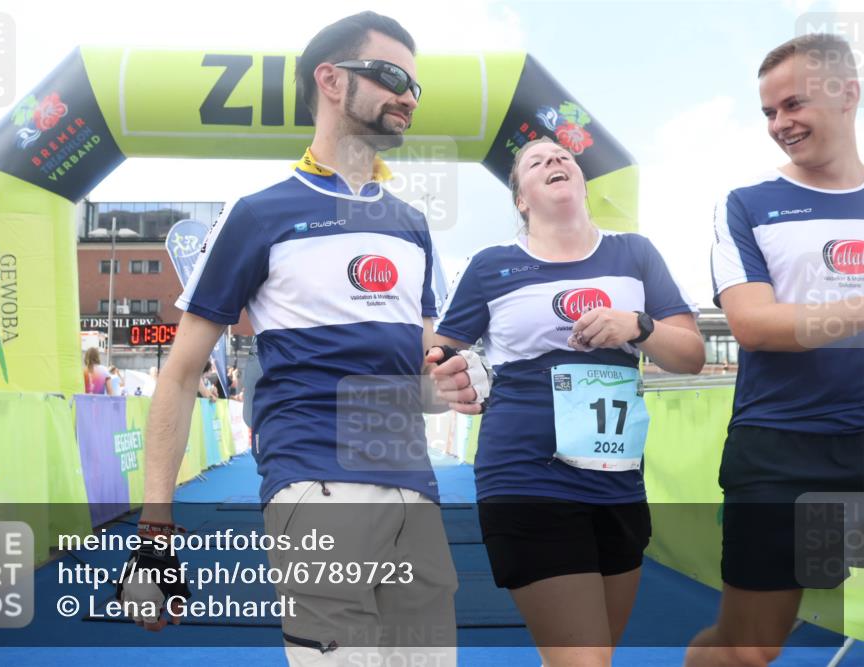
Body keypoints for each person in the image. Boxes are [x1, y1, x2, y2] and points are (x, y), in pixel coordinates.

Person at [119, 12, 479, 665]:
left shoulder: (413, 225)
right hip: (315, 487)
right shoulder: (258, 212)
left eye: (416, 88)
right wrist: (154, 530)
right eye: (393, 76)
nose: (407, 97)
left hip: (415, 495)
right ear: (331, 80)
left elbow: (425, 376)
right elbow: (178, 375)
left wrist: (452, 380)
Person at [427, 136, 704, 667]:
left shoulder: (635, 253)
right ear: (521, 200)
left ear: (580, 179)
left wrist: (638, 326)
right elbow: (440, 353)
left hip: (617, 477)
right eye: (537, 161)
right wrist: (449, 375)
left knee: (593, 655)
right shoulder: (492, 265)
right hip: (526, 474)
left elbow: (690, 355)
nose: (555, 160)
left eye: (564, 157)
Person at [686, 34, 864, 667]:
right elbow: (755, 325)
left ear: (848, 95)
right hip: (782, 450)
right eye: (768, 112)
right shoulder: (748, 205)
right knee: (747, 648)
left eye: (794, 105)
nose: (781, 124)